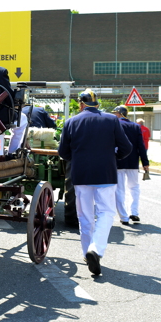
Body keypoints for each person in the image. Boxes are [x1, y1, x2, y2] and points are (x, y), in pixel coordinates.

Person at [58, 89, 131, 276]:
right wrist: (113, 158)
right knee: (106, 212)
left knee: (85, 216)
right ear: (97, 104)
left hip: (81, 175)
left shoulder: (71, 122)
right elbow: (126, 147)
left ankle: (86, 253)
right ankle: (96, 249)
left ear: (81, 104)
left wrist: (77, 159)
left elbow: (63, 152)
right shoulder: (111, 120)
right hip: (106, 173)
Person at [112, 106, 149, 225]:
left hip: (118, 161)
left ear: (120, 114)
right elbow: (141, 146)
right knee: (134, 188)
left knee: (119, 190)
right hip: (133, 162)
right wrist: (145, 162)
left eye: (115, 113)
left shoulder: (115, 125)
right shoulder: (135, 126)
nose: (114, 115)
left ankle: (124, 217)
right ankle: (134, 212)